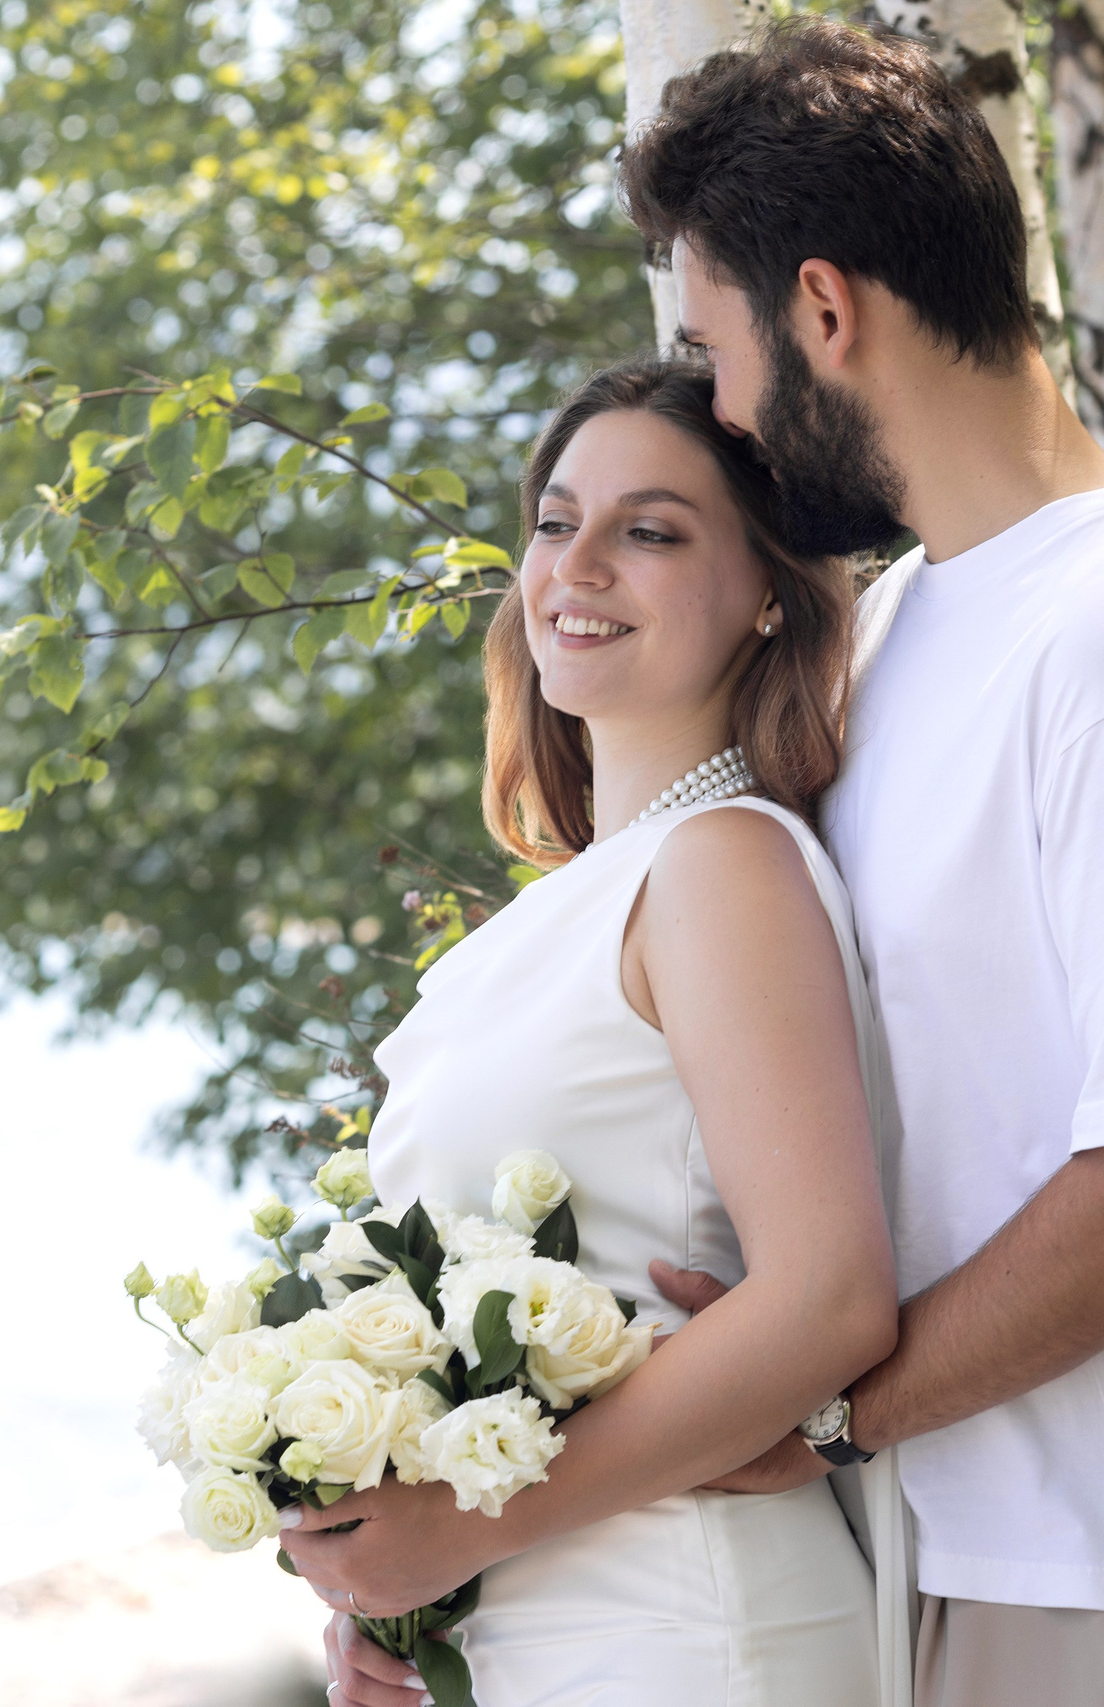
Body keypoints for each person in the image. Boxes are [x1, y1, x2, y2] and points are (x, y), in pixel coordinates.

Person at [318, 18, 1104, 1707]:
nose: (727, 408)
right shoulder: (930, 620)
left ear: (821, 311)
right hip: (925, 1541)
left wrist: (823, 1405)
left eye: (717, 350)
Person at [283, 358, 908, 1706]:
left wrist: (463, 1531)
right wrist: (401, 1597)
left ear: (765, 597)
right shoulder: (558, 916)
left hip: (696, 1629)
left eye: (652, 530)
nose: (578, 567)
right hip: (541, 1638)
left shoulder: (723, 864)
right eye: (557, 522)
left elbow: (829, 1296)